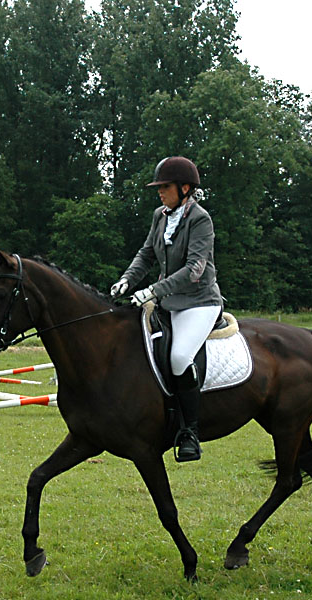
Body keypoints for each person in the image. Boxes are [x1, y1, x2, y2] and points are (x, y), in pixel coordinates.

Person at [110, 156, 223, 462]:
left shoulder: (200, 219)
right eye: (159, 187)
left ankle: (190, 432)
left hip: (199, 303)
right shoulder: (160, 216)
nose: (160, 192)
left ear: (185, 188)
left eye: (165, 187)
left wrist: (153, 290)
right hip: (167, 302)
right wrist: (126, 280)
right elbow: (146, 254)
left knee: (179, 357)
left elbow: (194, 269)